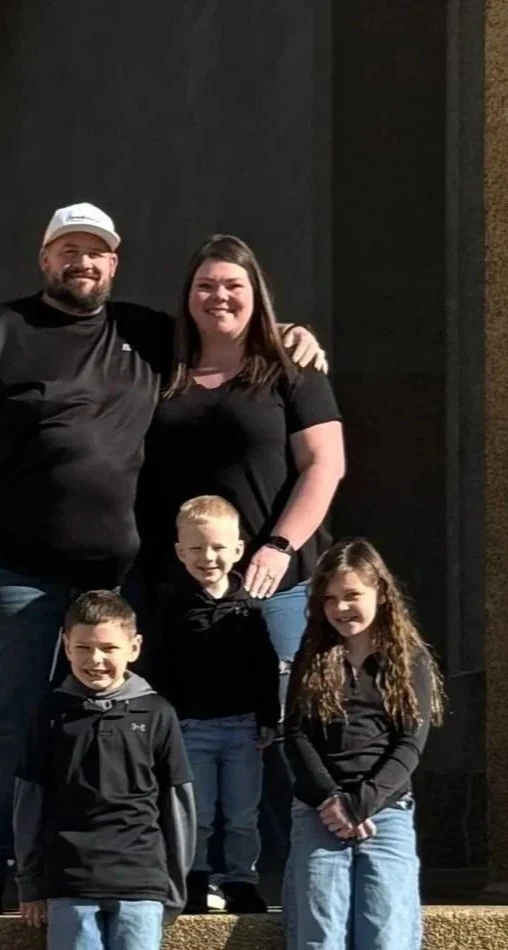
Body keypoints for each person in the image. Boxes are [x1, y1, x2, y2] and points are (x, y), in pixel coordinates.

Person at [0, 203, 325, 914]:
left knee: (121, 723)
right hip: (6, 572)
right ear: (45, 259)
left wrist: (290, 336)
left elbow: (226, 331)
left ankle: (116, 871)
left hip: (115, 582)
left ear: (115, 261)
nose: (83, 262)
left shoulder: (144, 334)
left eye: (96, 251)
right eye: (68, 249)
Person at [135, 233, 345, 851]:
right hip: (177, 588)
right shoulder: (159, 370)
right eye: (205, 285)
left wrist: (277, 547)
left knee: (285, 724)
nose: (218, 297)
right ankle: (194, 867)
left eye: (233, 286)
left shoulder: (290, 371)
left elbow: (324, 466)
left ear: (257, 295)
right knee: (184, 734)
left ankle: (295, 864)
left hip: (277, 584)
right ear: (187, 296)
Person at [14, 591, 196, 950]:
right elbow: (29, 800)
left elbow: (179, 804)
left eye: (108, 648)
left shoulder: (157, 713)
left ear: (133, 647)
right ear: (66, 648)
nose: (96, 660)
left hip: (141, 877)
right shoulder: (50, 714)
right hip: (69, 878)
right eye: (83, 649)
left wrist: (175, 885)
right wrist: (29, 880)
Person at [281, 538, 444, 950]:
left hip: (387, 816)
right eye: (330, 600)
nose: (342, 609)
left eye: (352, 596)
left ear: (380, 593)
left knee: (386, 949)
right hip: (318, 815)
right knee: (319, 949)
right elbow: (294, 736)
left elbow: (411, 743)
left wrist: (365, 802)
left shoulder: (409, 659)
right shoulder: (312, 658)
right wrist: (330, 801)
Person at [147, 496, 279, 914]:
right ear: (180, 552)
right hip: (191, 728)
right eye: (198, 548)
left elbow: (265, 666)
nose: (209, 558)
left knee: (242, 813)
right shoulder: (169, 607)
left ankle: (240, 880)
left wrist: (267, 717)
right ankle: (195, 878)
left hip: (243, 728)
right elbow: (159, 669)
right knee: (197, 812)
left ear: (238, 550)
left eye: (219, 548)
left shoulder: (251, 609)